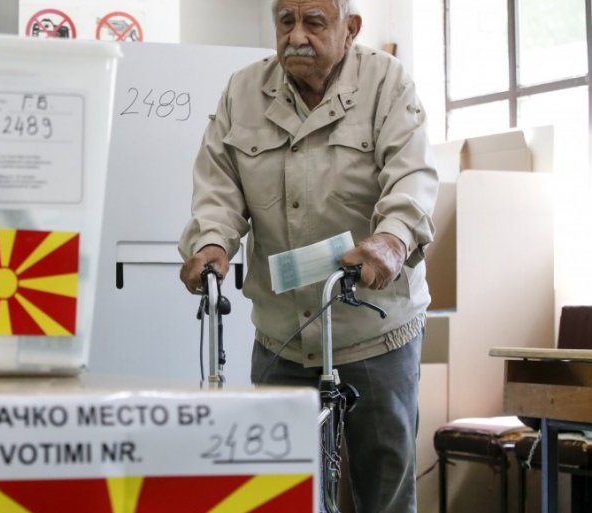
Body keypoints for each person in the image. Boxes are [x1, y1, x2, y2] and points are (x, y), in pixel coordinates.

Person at [177, 0, 438, 512]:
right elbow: (218, 188)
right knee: (276, 493)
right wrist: (211, 241)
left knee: (384, 491)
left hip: (374, 330)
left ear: (350, 28)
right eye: (285, 21)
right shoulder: (243, 91)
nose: (297, 36)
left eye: (314, 22)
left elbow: (412, 176)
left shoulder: (387, 83)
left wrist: (392, 239)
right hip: (283, 335)